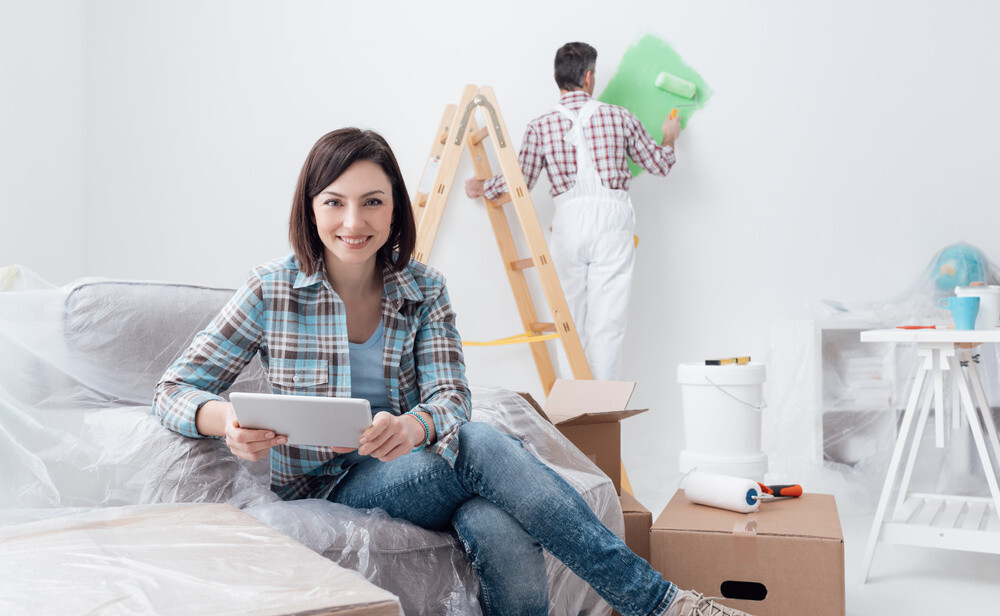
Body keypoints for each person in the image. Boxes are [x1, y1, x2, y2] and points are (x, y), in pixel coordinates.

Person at [153, 128, 749, 616]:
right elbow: (174, 388)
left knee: (492, 516)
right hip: (325, 482)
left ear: (394, 209)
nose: (352, 221)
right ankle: (661, 604)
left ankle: (663, 606)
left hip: (410, 468)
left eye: (372, 201)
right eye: (334, 201)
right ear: (310, 209)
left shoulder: (423, 289)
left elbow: (450, 396)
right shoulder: (272, 289)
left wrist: (413, 428)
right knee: (481, 448)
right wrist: (225, 419)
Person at [466, 42, 681, 381]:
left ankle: (576, 411)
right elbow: (660, 164)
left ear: (556, 77)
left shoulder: (541, 125)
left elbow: (518, 182)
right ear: (589, 77)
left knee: (568, 320)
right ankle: (603, 413)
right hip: (612, 224)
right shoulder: (619, 117)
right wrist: (669, 137)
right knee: (607, 323)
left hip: (568, 224)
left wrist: (483, 187)